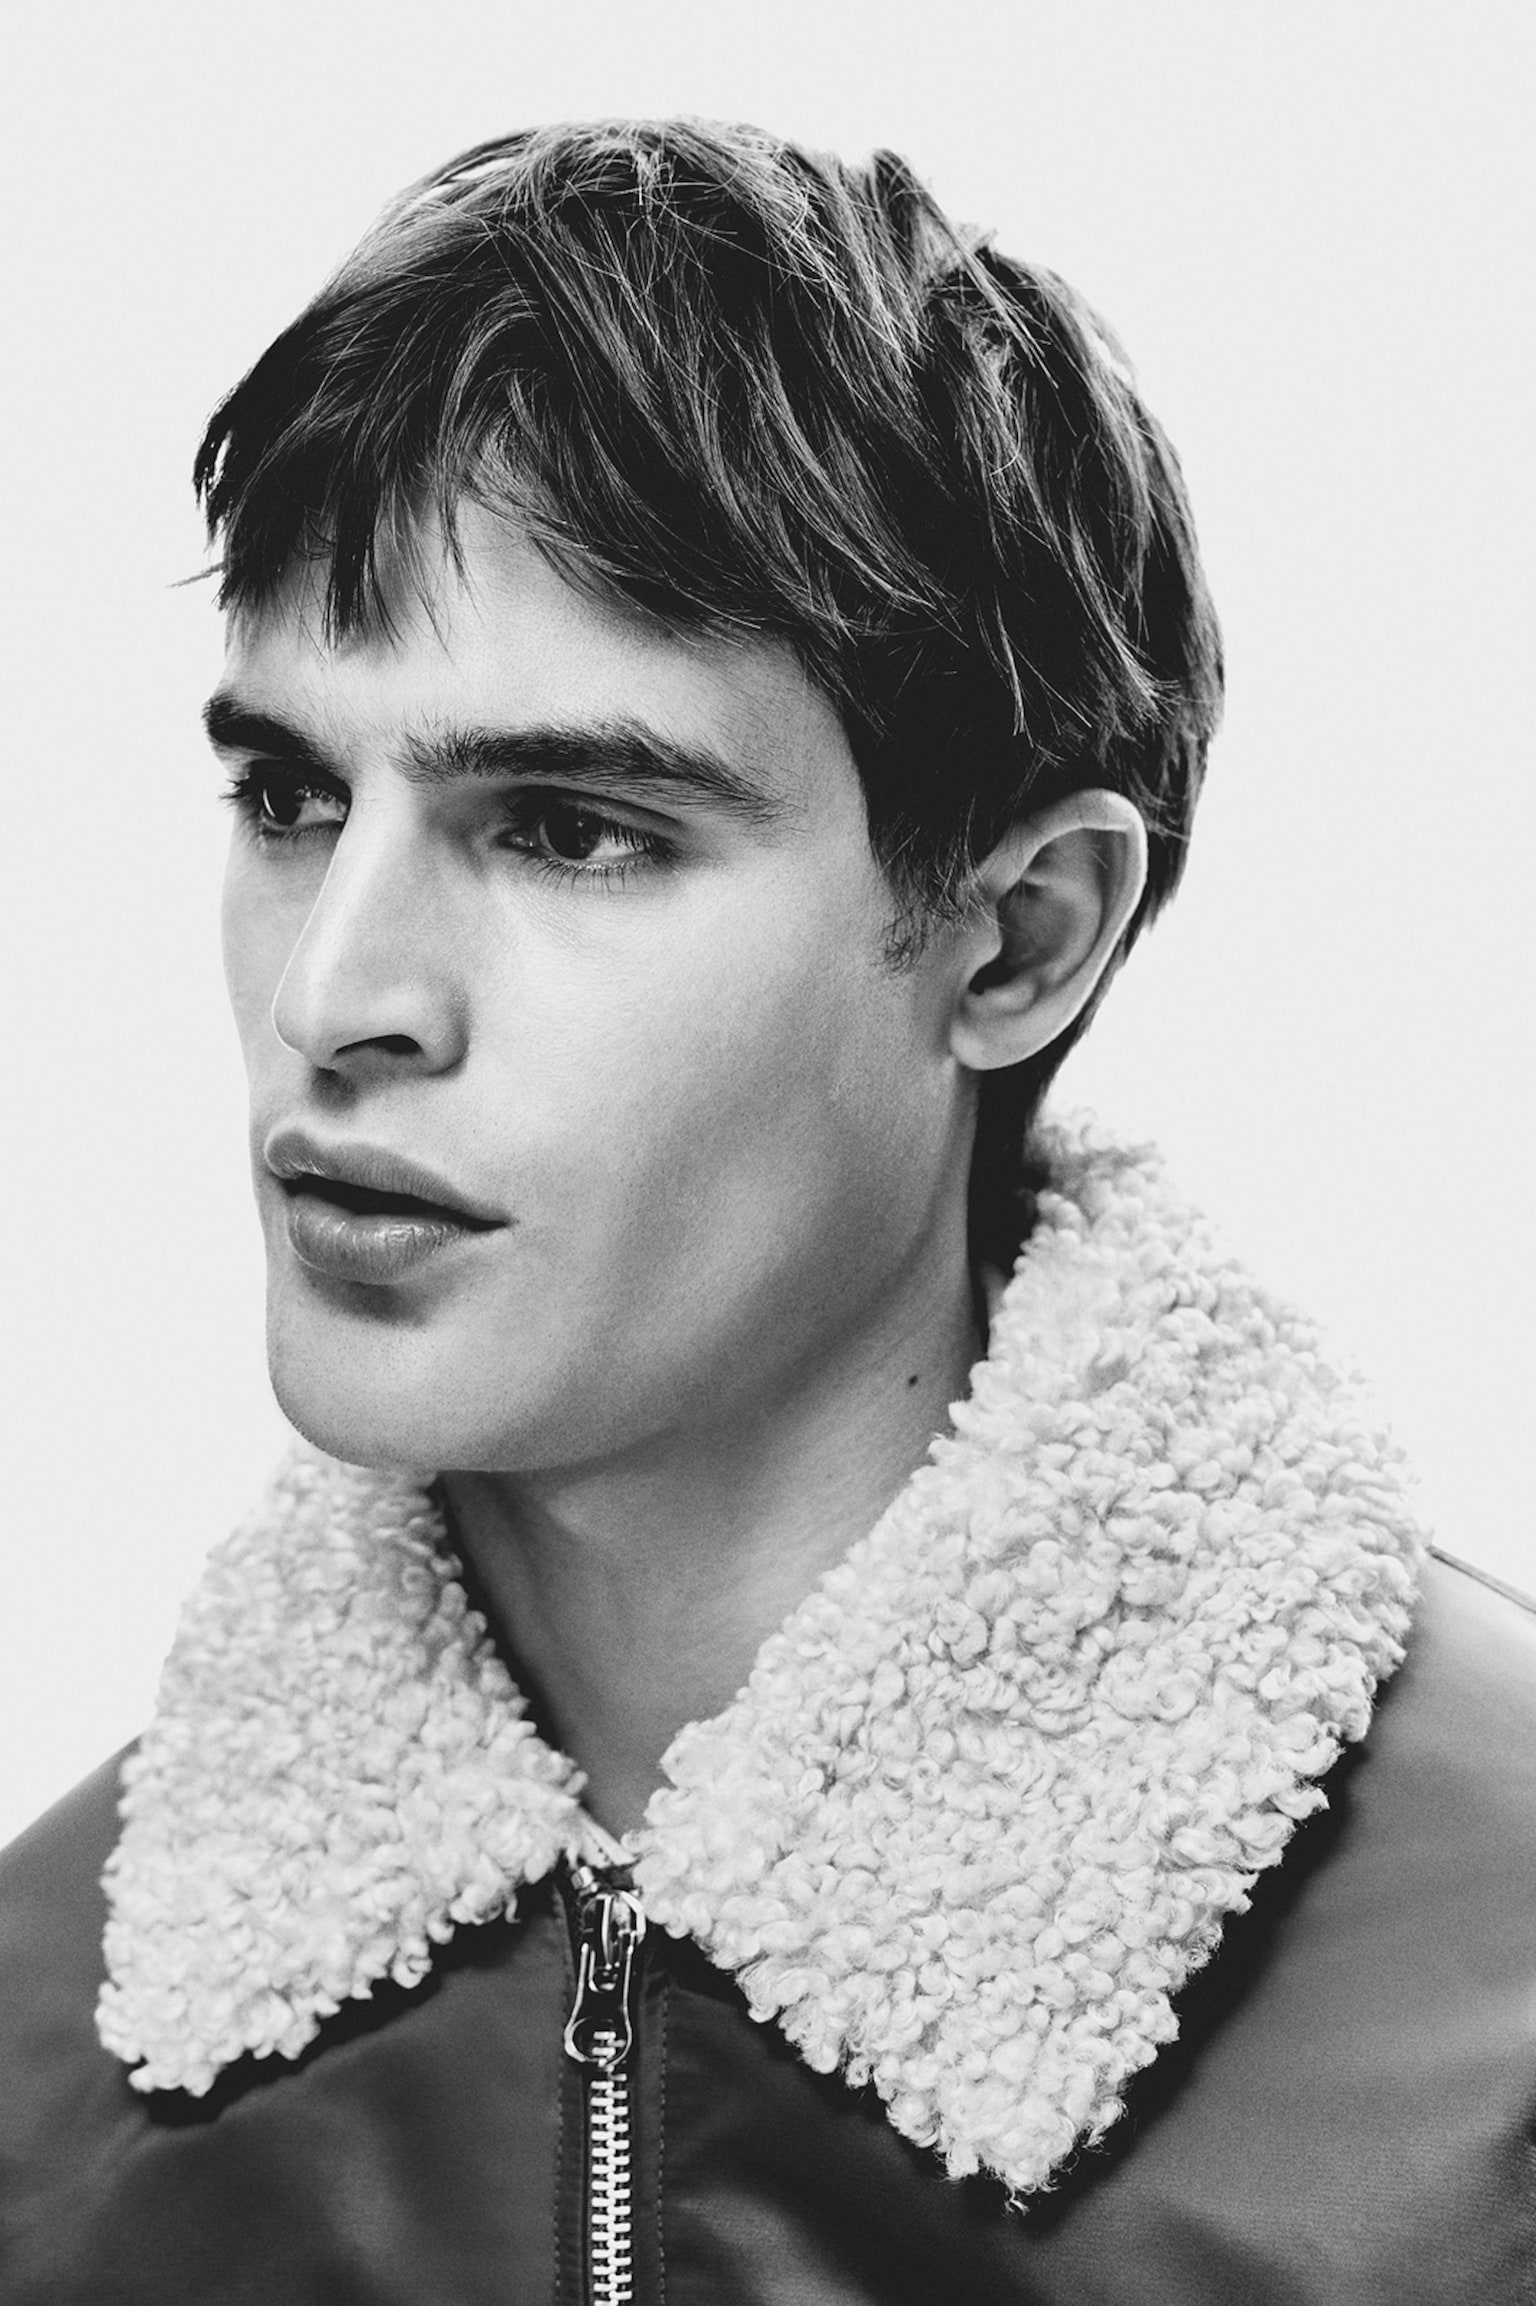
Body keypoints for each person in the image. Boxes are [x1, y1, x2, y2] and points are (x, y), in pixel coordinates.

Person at [1, 116, 1531, 2306]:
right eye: (290, 795)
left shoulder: (1494, 2053)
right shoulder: (40, 2081)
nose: (335, 996)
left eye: (572, 827)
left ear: (1019, 935)